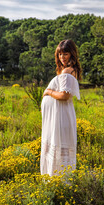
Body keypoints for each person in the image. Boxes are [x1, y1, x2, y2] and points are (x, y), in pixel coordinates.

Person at [40, 39, 82, 176]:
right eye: (60, 54)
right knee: (59, 147)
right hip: (58, 117)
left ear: (72, 54)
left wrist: (48, 92)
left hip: (60, 118)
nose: (62, 57)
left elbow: (64, 95)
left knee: (60, 146)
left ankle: (59, 181)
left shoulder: (67, 73)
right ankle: (58, 181)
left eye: (65, 54)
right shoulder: (67, 71)